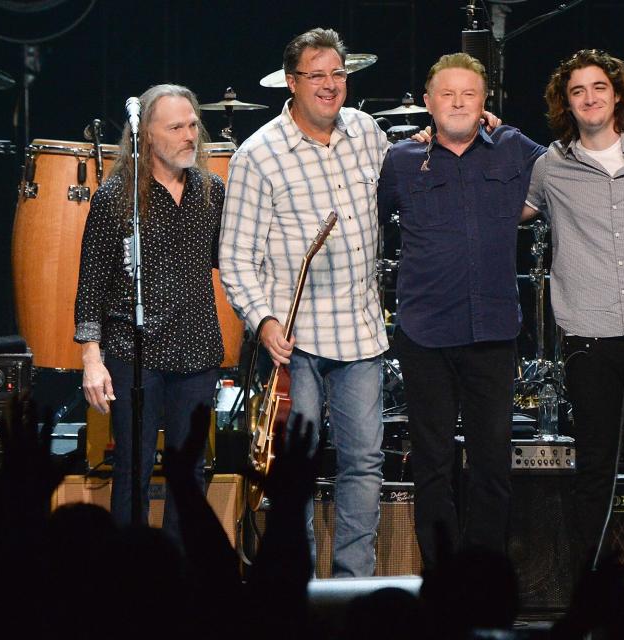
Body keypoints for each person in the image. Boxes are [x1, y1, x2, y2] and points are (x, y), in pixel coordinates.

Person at [219, 27, 388, 577]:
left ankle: (352, 584)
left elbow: (413, 174)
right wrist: (263, 320)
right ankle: (296, 586)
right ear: (291, 83)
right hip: (297, 343)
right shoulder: (259, 155)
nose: (331, 85)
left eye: (338, 74)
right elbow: (237, 256)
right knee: (296, 468)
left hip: (361, 332)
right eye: (317, 75)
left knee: (363, 464)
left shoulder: (366, 131)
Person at [377, 53, 546, 568]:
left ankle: (484, 577)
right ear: (427, 103)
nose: (457, 103)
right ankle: (443, 575)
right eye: (446, 94)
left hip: (493, 331)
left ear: (484, 101)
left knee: (492, 464)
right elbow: (371, 226)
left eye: (468, 94)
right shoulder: (402, 159)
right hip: (425, 332)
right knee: (432, 463)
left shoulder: (516, 149)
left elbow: (568, 168)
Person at [522, 50, 624, 567]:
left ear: (617, 95)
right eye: (578, 91)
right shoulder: (550, 166)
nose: (590, 98)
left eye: (599, 88)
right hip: (588, 333)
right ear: (565, 103)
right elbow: (512, 212)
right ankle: (587, 583)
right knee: (594, 465)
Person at [75, 84, 225, 538]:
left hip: (197, 349)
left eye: (193, 125)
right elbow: (91, 285)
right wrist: (91, 358)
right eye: (176, 127)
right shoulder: (116, 197)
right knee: (133, 471)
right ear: (146, 138)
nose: (189, 136)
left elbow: (234, 259)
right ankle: (130, 581)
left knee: (189, 474)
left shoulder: (211, 191)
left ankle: (182, 585)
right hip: (133, 351)